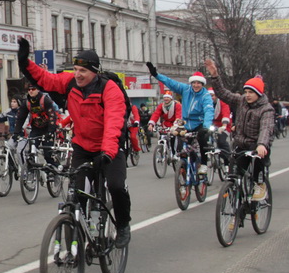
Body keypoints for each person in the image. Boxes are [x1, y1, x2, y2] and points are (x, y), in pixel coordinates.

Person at [19, 39, 131, 248]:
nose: (78, 74)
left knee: (115, 186)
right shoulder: (70, 82)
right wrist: (24, 61)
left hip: (109, 147)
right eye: (76, 69)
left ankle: (123, 225)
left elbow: (114, 123)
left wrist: (106, 153)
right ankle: (79, 237)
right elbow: (46, 79)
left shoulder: (109, 90)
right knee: (77, 193)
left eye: (83, 71)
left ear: (95, 72)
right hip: (83, 146)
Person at [204, 60, 274, 201]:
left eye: (251, 92)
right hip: (240, 144)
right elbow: (223, 94)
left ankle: (260, 184)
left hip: (257, 146)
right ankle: (234, 211)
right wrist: (215, 76)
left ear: (259, 93)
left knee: (258, 167)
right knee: (233, 177)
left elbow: (266, 128)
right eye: (246, 91)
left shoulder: (266, 109)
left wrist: (261, 144)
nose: (247, 95)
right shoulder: (241, 101)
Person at [147, 63, 214, 175]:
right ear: (191, 83)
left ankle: (203, 164)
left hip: (199, 123)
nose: (196, 85)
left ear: (202, 84)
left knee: (202, 139)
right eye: (194, 83)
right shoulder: (186, 89)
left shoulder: (205, 96)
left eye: (199, 83)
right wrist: (156, 75)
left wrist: (206, 126)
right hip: (186, 123)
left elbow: (208, 110)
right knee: (182, 146)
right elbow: (170, 82)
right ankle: (186, 164)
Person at [13, 84, 59, 168]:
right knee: (31, 154)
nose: (30, 91)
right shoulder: (27, 102)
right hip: (36, 130)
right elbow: (20, 118)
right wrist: (16, 132)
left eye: (33, 89)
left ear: (38, 90)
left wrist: (50, 132)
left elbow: (52, 117)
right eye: (29, 89)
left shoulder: (45, 100)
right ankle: (32, 173)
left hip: (48, 130)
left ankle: (55, 171)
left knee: (48, 155)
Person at [208, 87, 232, 170]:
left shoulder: (222, 102)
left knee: (221, 141)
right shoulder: (205, 103)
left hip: (223, 125)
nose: (211, 97)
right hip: (211, 125)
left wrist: (224, 125)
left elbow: (226, 113)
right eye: (209, 96)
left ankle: (227, 161)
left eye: (213, 95)